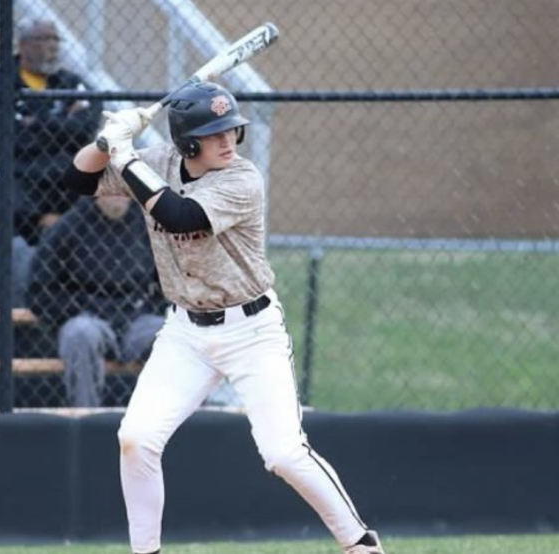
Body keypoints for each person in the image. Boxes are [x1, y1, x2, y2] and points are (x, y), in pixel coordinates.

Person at [64, 81, 387, 554]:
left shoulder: (242, 179)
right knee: (135, 438)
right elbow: (77, 180)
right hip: (185, 333)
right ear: (186, 142)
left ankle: (360, 544)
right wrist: (106, 141)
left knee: (283, 454)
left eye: (231, 131)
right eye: (213, 135)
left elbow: (179, 214)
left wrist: (125, 153)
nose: (227, 142)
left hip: (251, 330)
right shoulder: (159, 162)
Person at [28, 195, 167, 408]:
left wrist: (150, 305)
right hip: (86, 317)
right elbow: (38, 292)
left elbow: (170, 282)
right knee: (80, 334)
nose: (118, 193)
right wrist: (81, 307)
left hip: (136, 316)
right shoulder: (69, 225)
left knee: (176, 335)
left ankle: (185, 425)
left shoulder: (148, 225)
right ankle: (87, 420)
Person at [0, 18, 102, 245]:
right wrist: (61, 127)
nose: (53, 46)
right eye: (44, 39)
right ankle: (35, 238)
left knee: (100, 179)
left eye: (55, 39)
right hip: (20, 175)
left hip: (60, 172)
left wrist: (38, 124)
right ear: (23, 45)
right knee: (5, 191)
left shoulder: (70, 83)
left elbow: (85, 129)